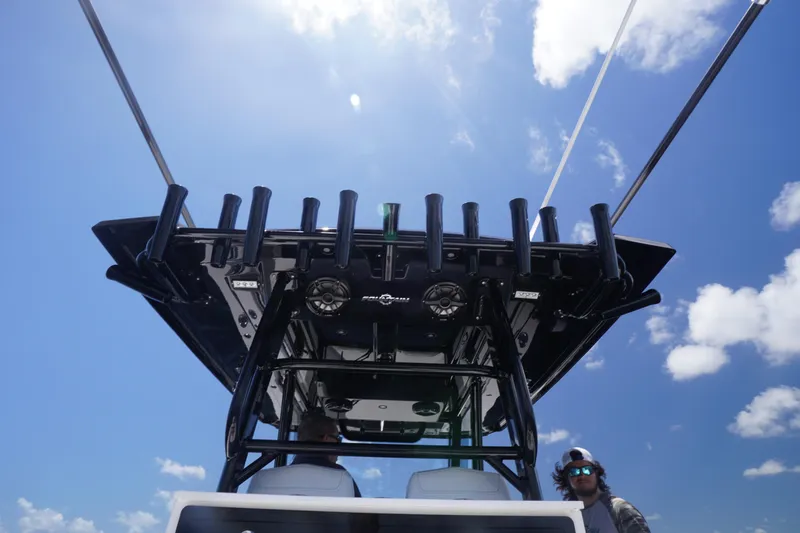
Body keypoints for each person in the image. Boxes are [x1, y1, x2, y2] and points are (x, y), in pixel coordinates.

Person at [552, 447, 650, 533]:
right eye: (574, 472)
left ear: (597, 473)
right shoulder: (567, 518)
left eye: (587, 469)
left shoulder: (619, 509)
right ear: (566, 479)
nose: (582, 475)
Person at [291, 411, 362, 497]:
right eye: (338, 439)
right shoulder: (341, 477)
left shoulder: (274, 477)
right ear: (327, 438)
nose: (339, 447)